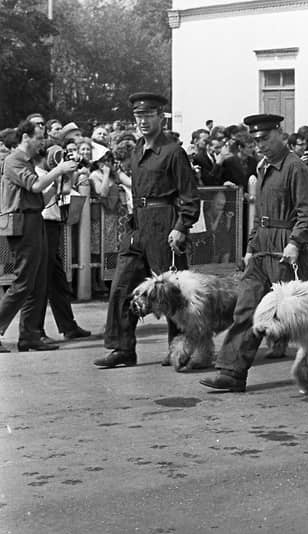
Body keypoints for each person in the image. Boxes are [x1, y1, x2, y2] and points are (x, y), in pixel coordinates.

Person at [200, 113, 308, 392]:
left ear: (281, 133)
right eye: (255, 141)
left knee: (298, 314)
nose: (260, 145)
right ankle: (231, 372)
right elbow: (260, 214)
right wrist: (251, 247)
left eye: (265, 138)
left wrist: (295, 243)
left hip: (285, 245)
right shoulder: (264, 167)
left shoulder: (295, 167)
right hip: (263, 246)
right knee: (246, 308)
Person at [93, 92, 200, 368]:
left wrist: (181, 226)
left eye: (148, 115)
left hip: (164, 223)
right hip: (138, 224)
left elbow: (189, 195)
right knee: (121, 287)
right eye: (138, 116)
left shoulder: (173, 152)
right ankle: (122, 348)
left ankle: (179, 349)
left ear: (160, 117)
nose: (142, 121)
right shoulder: (137, 150)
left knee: (170, 291)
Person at [0, 120, 77, 352]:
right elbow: (34, 187)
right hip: (22, 223)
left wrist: (62, 180)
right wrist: (58, 171)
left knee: (36, 281)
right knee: (23, 281)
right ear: (26, 137)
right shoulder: (13, 161)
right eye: (39, 138)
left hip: (34, 218)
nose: (42, 143)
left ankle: (29, 334)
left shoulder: (27, 162)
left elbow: (41, 197)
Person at [36, 145, 91, 343]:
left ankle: (68, 325)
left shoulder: (52, 174)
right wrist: (59, 173)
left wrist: (68, 174)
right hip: (41, 225)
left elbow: (66, 191)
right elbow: (42, 194)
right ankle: (36, 331)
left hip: (53, 225)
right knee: (40, 281)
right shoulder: (40, 174)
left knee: (57, 280)